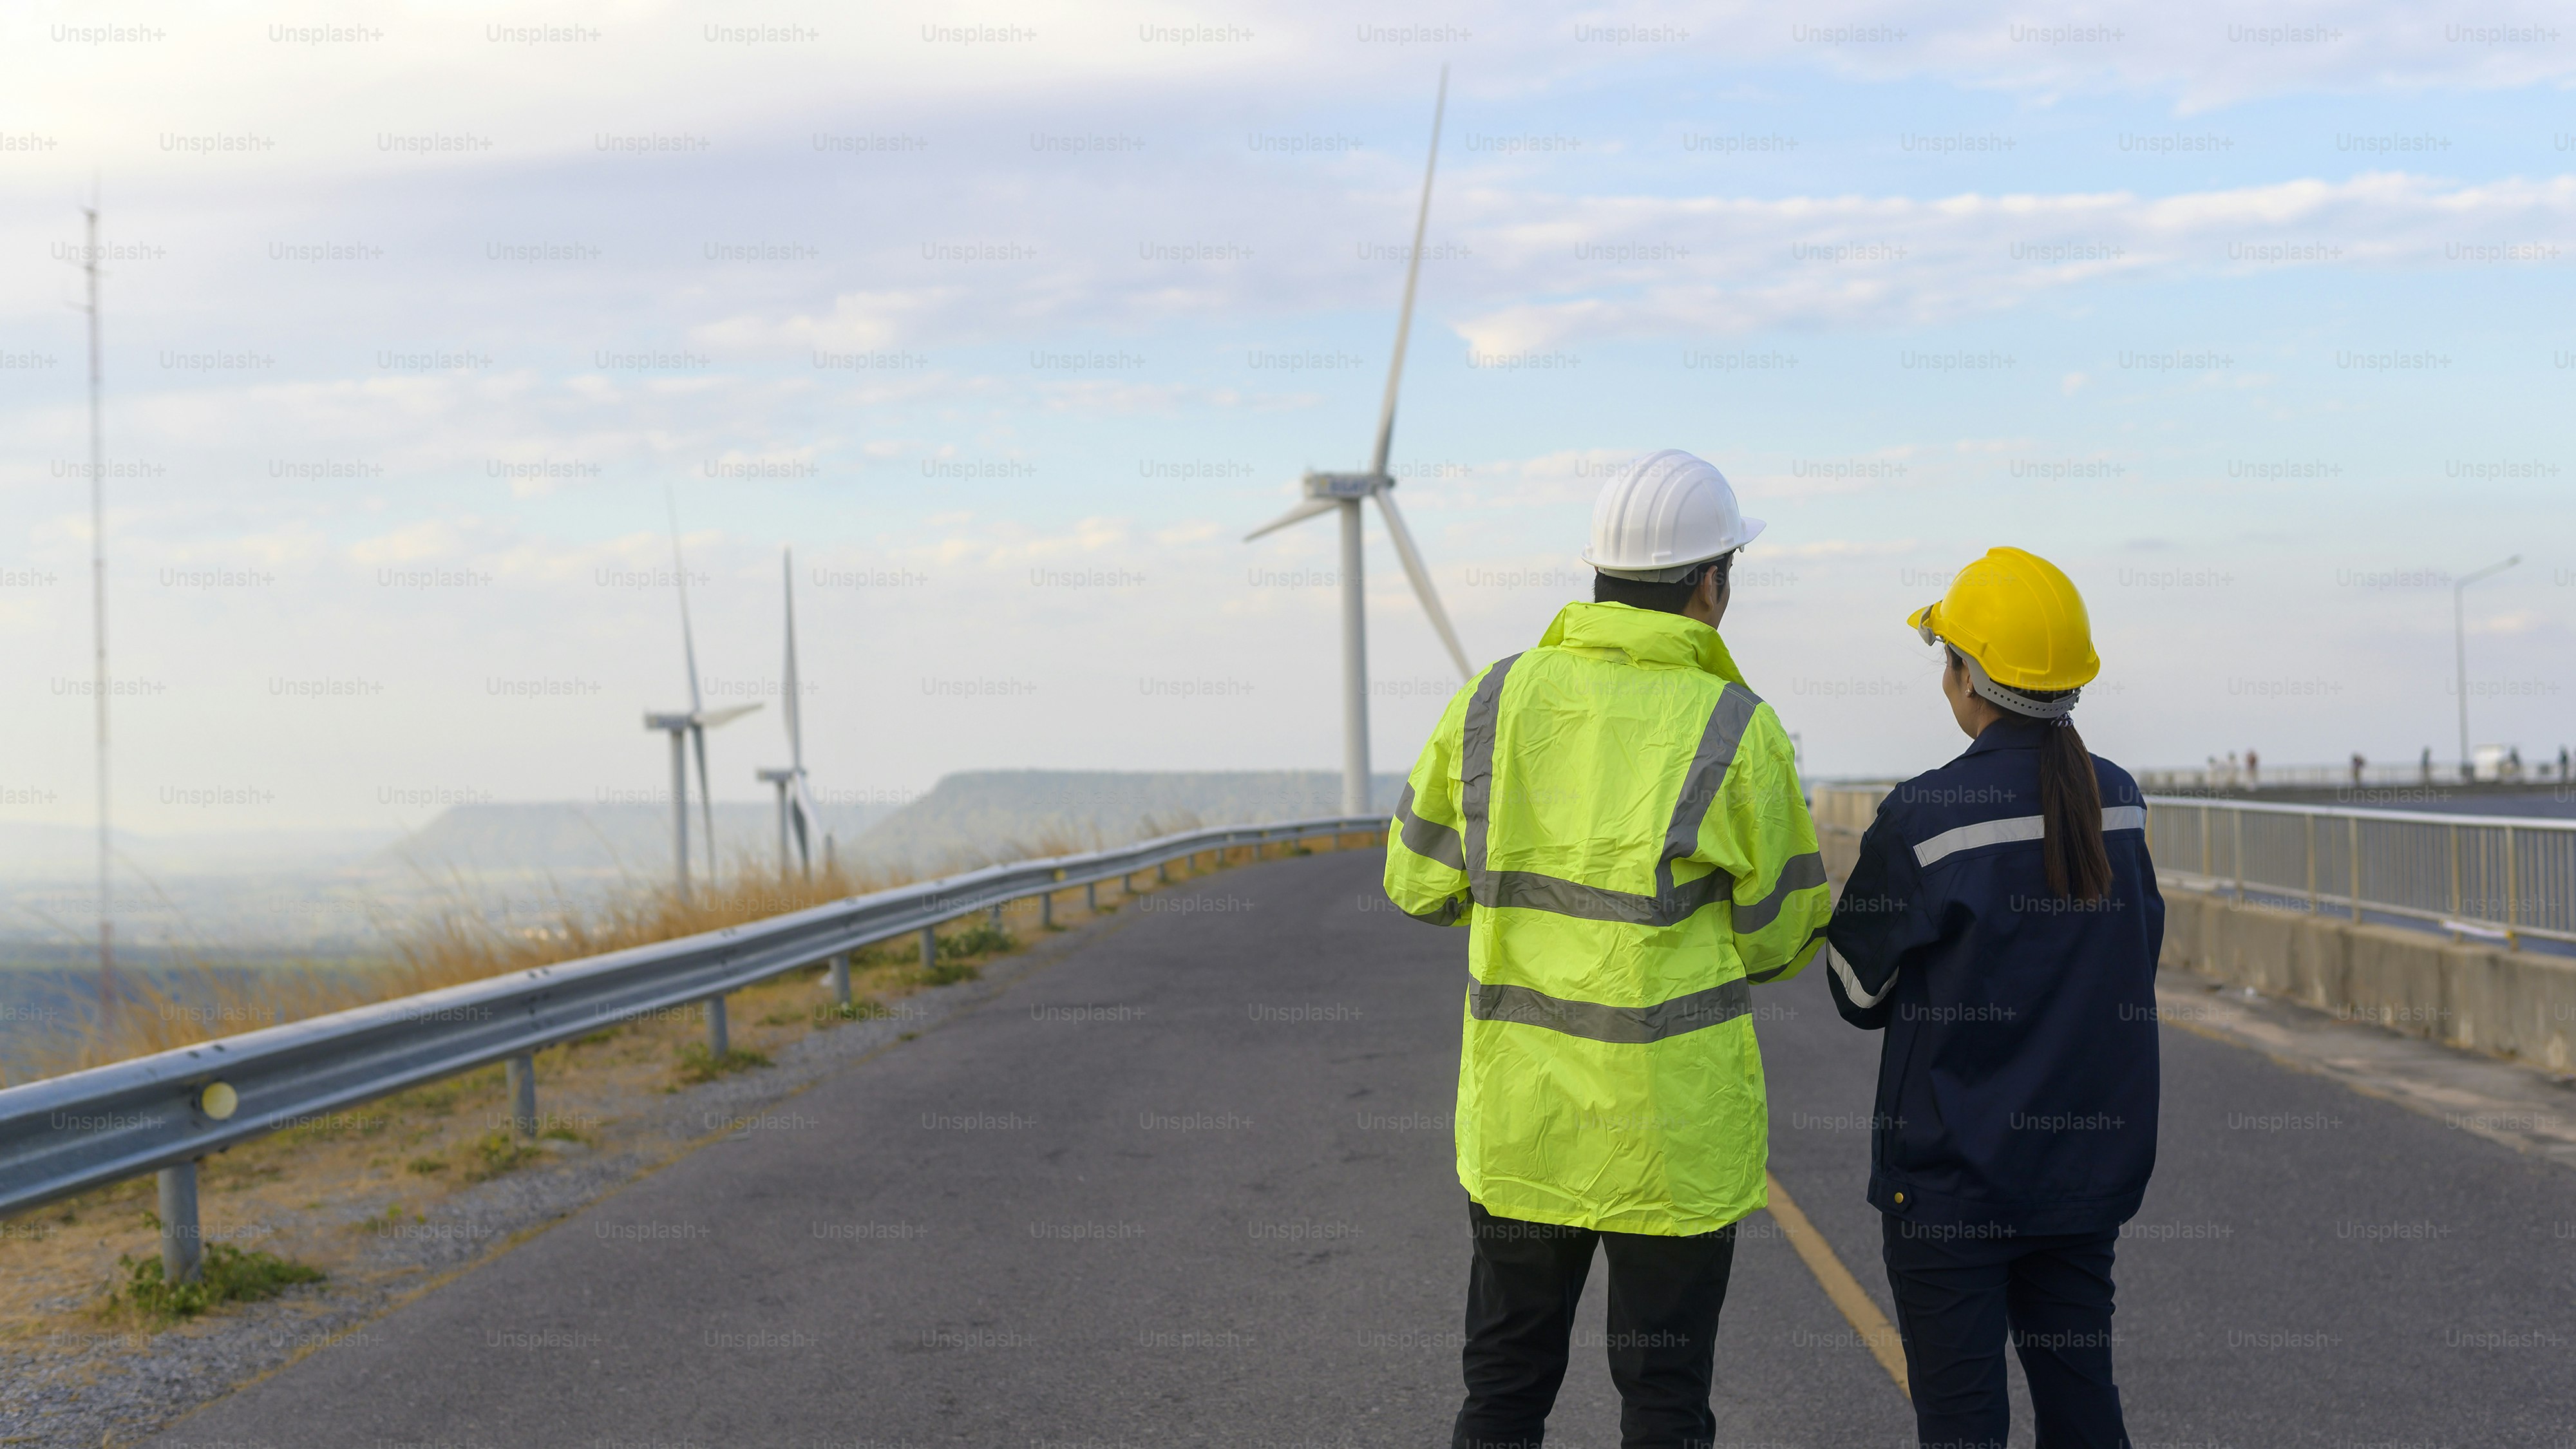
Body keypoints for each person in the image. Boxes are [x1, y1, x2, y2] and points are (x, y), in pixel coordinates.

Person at [1385, 449, 1831, 1449]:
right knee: (1665, 1400)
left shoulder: (1492, 700)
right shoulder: (1739, 728)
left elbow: (1416, 881)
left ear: (1598, 573)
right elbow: (1783, 935)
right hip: (1672, 1140)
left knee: (1504, 1392)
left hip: (1524, 1128)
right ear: (1710, 583)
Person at [1823, 547, 2163, 1449]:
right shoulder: (2120, 801)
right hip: (2084, 1175)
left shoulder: (1925, 815)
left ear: (1966, 676)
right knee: (2084, 1406)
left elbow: (1855, 990)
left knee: (1963, 1424)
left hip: (1953, 1186)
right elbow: (2137, 955)